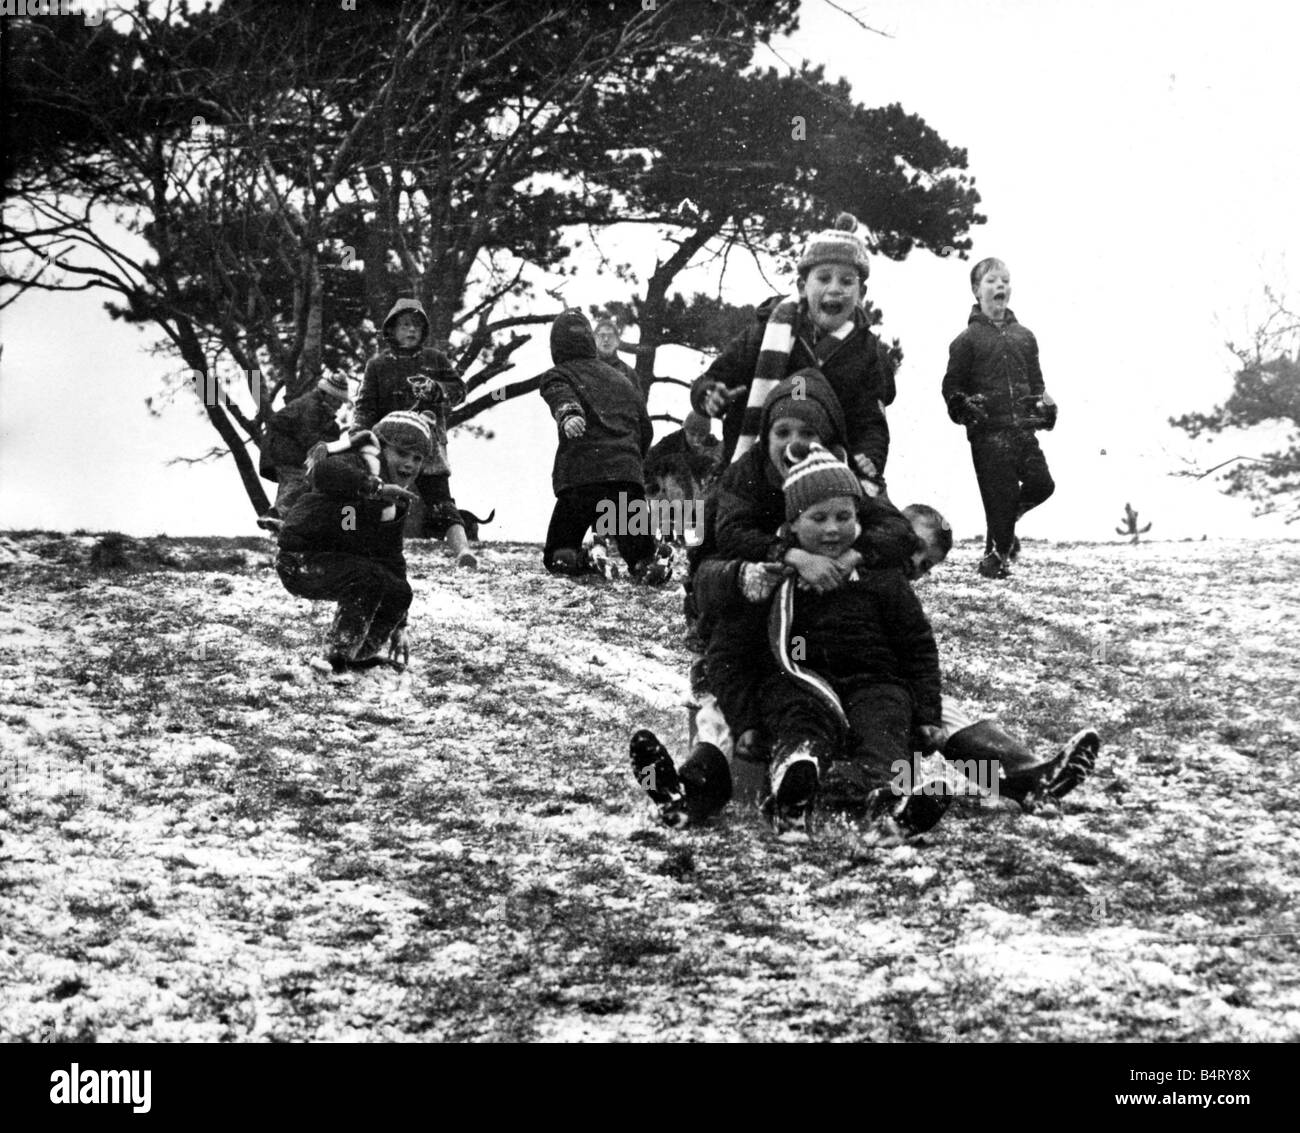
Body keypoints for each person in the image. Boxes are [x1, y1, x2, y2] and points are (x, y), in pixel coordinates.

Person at [690, 212, 894, 494]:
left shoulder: (867, 351)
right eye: (824, 278)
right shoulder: (764, 334)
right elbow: (711, 379)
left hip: (827, 475)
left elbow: (870, 420)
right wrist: (710, 395)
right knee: (718, 527)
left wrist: (869, 457)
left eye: (847, 281)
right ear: (802, 286)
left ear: (861, 292)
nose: (835, 289)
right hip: (755, 468)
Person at [274, 411, 431, 673]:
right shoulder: (357, 463)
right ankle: (335, 657)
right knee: (367, 577)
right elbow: (325, 471)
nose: (410, 464)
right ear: (382, 449)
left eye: (417, 458)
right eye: (402, 453)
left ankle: (356, 656)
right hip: (302, 559)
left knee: (399, 590)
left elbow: (391, 557)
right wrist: (374, 488)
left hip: (344, 564)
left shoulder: (396, 502)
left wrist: (400, 625)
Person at [942, 257, 1057, 579]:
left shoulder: (1025, 336)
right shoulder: (966, 341)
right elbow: (952, 387)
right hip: (988, 434)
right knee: (1001, 495)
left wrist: (1045, 405)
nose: (1000, 286)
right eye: (992, 281)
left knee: (1042, 484)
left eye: (1005, 280)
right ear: (976, 290)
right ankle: (995, 561)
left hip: (1022, 429)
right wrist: (963, 407)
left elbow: (1037, 384)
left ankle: (1007, 520)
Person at [538, 308, 671, 583]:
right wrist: (630, 461)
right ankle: (649, 564)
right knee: (637, 554)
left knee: (559, 553)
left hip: (582, 479)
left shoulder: (557, 374)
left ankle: (586, 560)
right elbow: (645, 428)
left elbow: (561, 396)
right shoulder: (623, 379)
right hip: (625, 477)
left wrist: (569, 414)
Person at [355, 298, 477, 569]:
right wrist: (359, 433)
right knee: (377, 498)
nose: (412, 331)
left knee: (442, 503)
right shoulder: (377, 365)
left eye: (417, 326)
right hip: (389, 445)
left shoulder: (436, 359)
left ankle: (463, 552)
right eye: (405, 325)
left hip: (428, 443)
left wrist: (439, 390)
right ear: (392, 329)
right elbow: (365, 405)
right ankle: (368, 552)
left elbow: (459, 391)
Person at [256, 371, 350, 532]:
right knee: (302, 479)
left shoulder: (317, 408)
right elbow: (309, 437)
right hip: (285, 451)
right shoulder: (310, 406)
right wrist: (335, 451)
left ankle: (281, 527)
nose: (340, 406)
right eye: (338, 400)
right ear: (328, 395)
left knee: (291, 486)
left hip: (286, 451)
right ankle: (276, 514)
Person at [593, 317, 643, 397]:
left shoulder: (628, 372)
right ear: (595, 339)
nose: (606, 339)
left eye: (610, 336)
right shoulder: (587, 368)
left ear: (617, 341)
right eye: (602, 335)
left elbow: (638, 404)